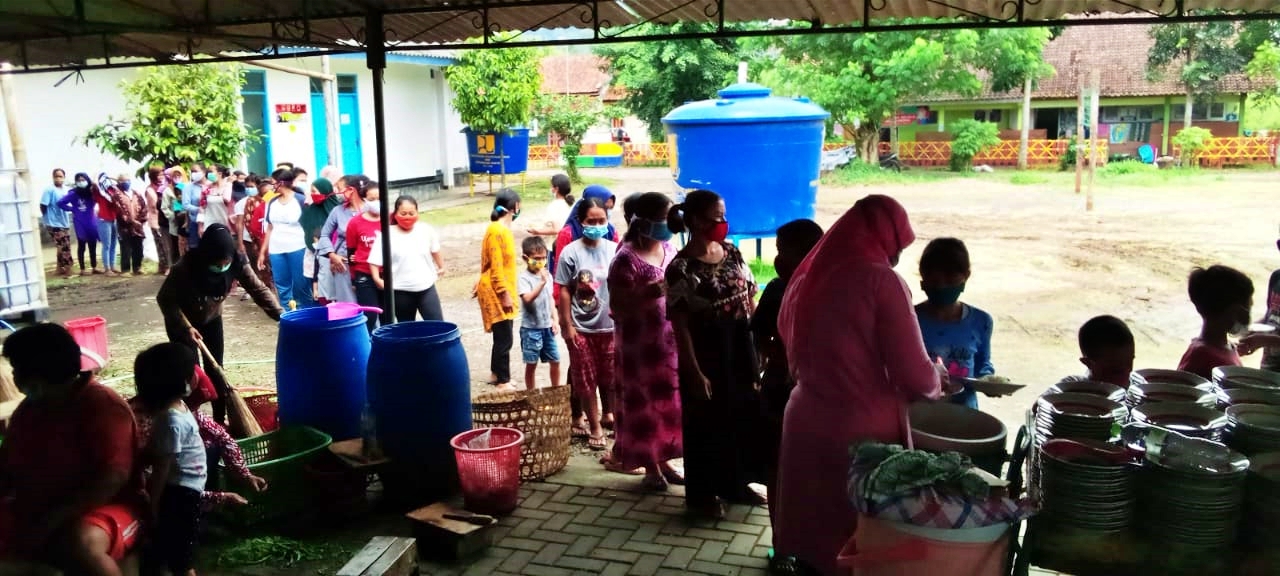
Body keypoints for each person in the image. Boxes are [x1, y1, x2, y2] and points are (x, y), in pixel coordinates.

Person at [773, 195, 952, 576]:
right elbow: (912, 372)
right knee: (853, 542)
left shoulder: (812, 274)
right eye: (898, 245)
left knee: (811, 538)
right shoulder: (879, 280)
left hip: (805, 421)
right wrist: (937, 379)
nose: (898, 254)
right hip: (858, 433)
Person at [0, 324, 142, 576]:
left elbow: (112, 480)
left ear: (39, 372)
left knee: (81, 543)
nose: (15, 377)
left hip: (110, 506)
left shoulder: (103, 406)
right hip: (40, 504)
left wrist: (52, 520)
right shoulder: (30, 410)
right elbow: (7, 465)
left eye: (17, 369)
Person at [664, 190, 762, 518]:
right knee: (705, 422)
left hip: (739, 345)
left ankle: (736, 483)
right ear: (693, 220)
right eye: (714, 217)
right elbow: (680, 324)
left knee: (741, 414)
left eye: (723, 215)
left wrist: (759, 345)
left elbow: (751, 298)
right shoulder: (680, 267)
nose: (721, 223)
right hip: (705, 351)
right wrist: (692, 369)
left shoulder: (732, 253)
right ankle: (702, 496)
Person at [159, 223, 283, 424]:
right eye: (218, 263)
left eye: (225, 262)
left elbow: (258, 290)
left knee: (216, 369)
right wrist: (186, 327)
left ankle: (219, 418)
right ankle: (193, 419)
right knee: (191, 373)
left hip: (212, 319)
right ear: (207, 255)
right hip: (182, 323)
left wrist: (281, 316)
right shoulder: (185, 267)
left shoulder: (237, 262)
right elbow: (165, 299)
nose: (222, 266)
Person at [751, 218, 823, 536]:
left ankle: (806, 541)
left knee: (809, 471)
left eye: (785, 251)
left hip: (815, 396)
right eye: (777, 251)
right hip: (778, 389)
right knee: (776, 467)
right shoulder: (778, 288)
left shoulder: (829, 291)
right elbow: (757, 336)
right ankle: (781, 540)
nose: (778, 259)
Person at [609, 192, 684, 491]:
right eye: (665, 218)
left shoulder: (668, 247)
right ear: (645, 221)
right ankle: (649, 466)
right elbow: (617, 307)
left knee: (667, 404)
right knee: (643, 407)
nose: (670, 223)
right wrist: (648, 293)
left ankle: (664, 459)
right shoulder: (625, 259)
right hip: (638, 348)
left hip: (668, 343)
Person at [130, 343, 210, 576]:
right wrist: (152, 505)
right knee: (181, 559)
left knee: (179, 549)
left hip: (185, 490)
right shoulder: (171, 420)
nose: (198, 374)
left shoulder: (178, 407)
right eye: (193, 370)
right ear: (182, 381)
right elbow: (161, 468)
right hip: (178, 494)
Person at [553, 185, 620, 432]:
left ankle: (609, 416)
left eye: (602, 220)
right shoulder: (571, 252)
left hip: (610, 326)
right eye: (591, 220)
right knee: (585, 379)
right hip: (581, 328)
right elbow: (563, 290)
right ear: (581, 222)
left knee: (611, 378)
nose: (597, 224)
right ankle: (594, 427)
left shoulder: (615, 250)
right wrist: (567, 326)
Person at [915, 238, 995, 409]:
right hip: (919, 415)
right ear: (923, 278)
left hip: (965, 417)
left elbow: (983, 365)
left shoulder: (981, 322)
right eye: (935, 281)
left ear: (966, 277)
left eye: (950, 281)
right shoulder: (909, 319)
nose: (942, 286)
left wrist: (989, 382)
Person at [369, 196, 446, 322]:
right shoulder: (387, 234)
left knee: (437, 324)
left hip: (426, 287)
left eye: (411, 213)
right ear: (396, 214)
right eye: (403, 213)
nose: (407, 217)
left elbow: (435, 250)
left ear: (417, 213)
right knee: (407, 327)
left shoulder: (425, 230)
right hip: (400, 290)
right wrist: (377, 279)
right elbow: (374, 260)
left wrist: (441, 266)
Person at [476, 188, 522, 387]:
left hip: (498, 286)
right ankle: (503, 379)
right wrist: (504, 294)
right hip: (497, 290)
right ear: (515, 207)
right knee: (505, 337)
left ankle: (497, 374)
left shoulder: (501, 230)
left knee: (502, 335)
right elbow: (494, 265)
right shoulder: (497, 230)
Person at [1177, 265, 1255, 379]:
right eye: (1247, 310)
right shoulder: (1200, 357)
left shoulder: (1228, 347)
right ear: (1234, 311)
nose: (1247, 318)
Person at [317, 175, 369, 306]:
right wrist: (332, 255)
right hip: (342, 263)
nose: (337, 193)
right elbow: (324, 235)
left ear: (351, 190)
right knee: (347, 304)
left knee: (369, 304)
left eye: (339, 189)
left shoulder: (370, 209)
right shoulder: (337, 211)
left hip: (367, 264)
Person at [258, 180, 309, 308]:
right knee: (281, 284)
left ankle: (306, 314)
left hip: (298, 246)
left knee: (300, 283)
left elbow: (310, 225)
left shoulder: (301, 200)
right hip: (276, 248)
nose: (272, 187)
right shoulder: (272, 201)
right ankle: (287, 315)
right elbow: (269, 227)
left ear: (282, 183)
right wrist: (263, 252)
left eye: (274, 183)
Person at [517, 236, 560, 390]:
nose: (541, 262)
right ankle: (532, 394)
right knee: (531, 364)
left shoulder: (547, 276)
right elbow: (527, 298)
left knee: (555, 360)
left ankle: (556, 391)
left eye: (543, 258)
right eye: (536, 258)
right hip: (531, 329)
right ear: (525, 258)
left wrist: (555, 320)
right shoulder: (524, 278)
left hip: (547, 327)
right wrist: (541, 283)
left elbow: (550, 300)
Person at [346, 183, 384, 333]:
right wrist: (353, 279)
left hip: (388, 274)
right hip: (364, 274)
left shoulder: (391, 219)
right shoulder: (355, 223)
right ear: (365, 200)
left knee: (388, 315)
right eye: (372, 198)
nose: (376, 202)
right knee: (370, 315)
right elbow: (351, 252)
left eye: (379, 198)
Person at [1058, 315, 1136, 388]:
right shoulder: (1069, 388)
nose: (1126, 372)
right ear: (1087, 363)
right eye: (1115, 370)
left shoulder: (1138, 388)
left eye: (1129, 363)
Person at [301, 177, 339, 304]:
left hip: (335, 256)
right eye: (311, 191)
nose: (313, 195)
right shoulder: (310, 210)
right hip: (314, 254)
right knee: (319, 290)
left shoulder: (337, 210)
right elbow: (306, 229)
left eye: (315, 191)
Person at [57, 173, 101, 275]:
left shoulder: (91, 192)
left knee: (93, 245)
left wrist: (95, 186)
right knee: (82, 245)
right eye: (79, 180)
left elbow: (100, 196)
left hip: (91, 220)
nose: (81, 182)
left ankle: (94, 267)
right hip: (80, 222)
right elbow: (60, 202)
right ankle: (82, 269)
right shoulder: (73, 194)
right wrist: (72, 209)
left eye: (83, 179)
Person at [39, 168, 73, 276]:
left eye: (60, 176)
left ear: (64, 178)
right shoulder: (49, 190)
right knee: (65, 246)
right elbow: (43, 205)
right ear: (53, 177)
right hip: (53, 223)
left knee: (60, 246)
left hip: (64, 221)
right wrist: (47, 219)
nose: (58, 178)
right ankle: (68, 268)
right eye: (56, 176)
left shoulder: (66, 190)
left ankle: (59, 268)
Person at [112, 174, 147, 276]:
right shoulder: (117, 195)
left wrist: (140, 221)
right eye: (123, 181)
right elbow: (119, 210)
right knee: (126, 248)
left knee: (138, 248)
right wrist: (131, 221)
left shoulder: (136, 193)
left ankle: (137, 267)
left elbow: (144, 207)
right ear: (119, 183)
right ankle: (125, 270)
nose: (126, 182)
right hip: (124, 226)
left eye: (128, 180)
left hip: (138, 226)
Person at [144, 167, 171, 275]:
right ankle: (166, 266)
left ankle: (164, 266)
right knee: (161, 244)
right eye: (158, 175)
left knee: (166, 244)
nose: (161, 178)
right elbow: (154, 206)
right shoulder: (150, 190)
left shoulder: (165, 187)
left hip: (165, 220)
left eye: (162, 175)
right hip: (156, 221)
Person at [94, 173, 121, 275]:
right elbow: (94, 183)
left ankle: (112, 266)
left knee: (114, 244)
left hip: (113, 219)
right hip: (103, 220)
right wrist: (98, 176)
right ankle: (107, 268)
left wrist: (110, 176)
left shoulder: (113, 191)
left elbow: (119, 181)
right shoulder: (99, 192)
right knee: (107, 245)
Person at [199, 165, 234, 235]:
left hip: (225, 226)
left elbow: (227, 198)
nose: (209, 174)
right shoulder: (206, 188)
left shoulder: (227, 186)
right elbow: (202, 208)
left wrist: (229, 183)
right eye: (208, 172)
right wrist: (200, 226)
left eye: (211, 171)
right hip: (209, 226)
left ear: (220, 174)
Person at [163, 167, 188, 257]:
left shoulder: (188, 187)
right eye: (174, 175)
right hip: (175, 223)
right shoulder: (168, 190)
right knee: (176, 247)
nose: (177, 177)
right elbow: (164, 208)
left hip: (188, 223)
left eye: (179, 175)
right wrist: (174, 217)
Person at [183, 163, 206, 251]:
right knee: (196, 249)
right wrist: (198, 209)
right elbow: (185, 205)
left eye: (196, 171)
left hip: (210, 221)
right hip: (195, 222)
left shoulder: (210, 185)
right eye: (192, 171)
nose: (193, 174)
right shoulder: (188, 187)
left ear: (203, 172)